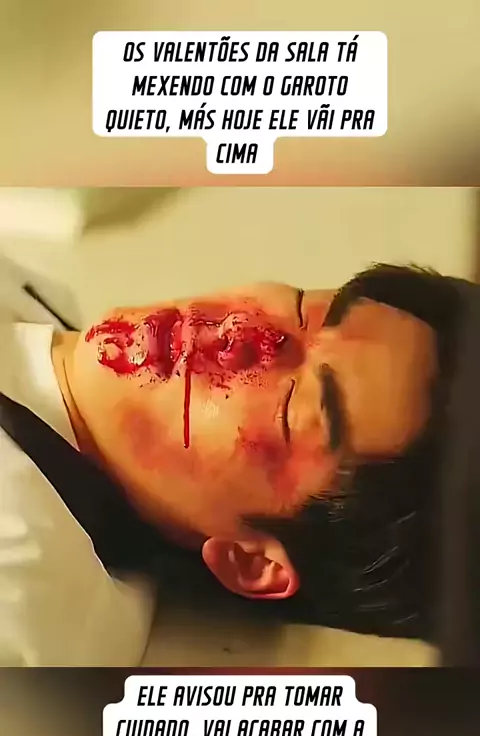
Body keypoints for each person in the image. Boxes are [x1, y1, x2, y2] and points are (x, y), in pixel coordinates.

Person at [0, 262, 474, 665]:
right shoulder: (37, 304)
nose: (240, 332)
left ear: (250, 562)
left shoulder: (25, 581)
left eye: (291, 410)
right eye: (304, 310)